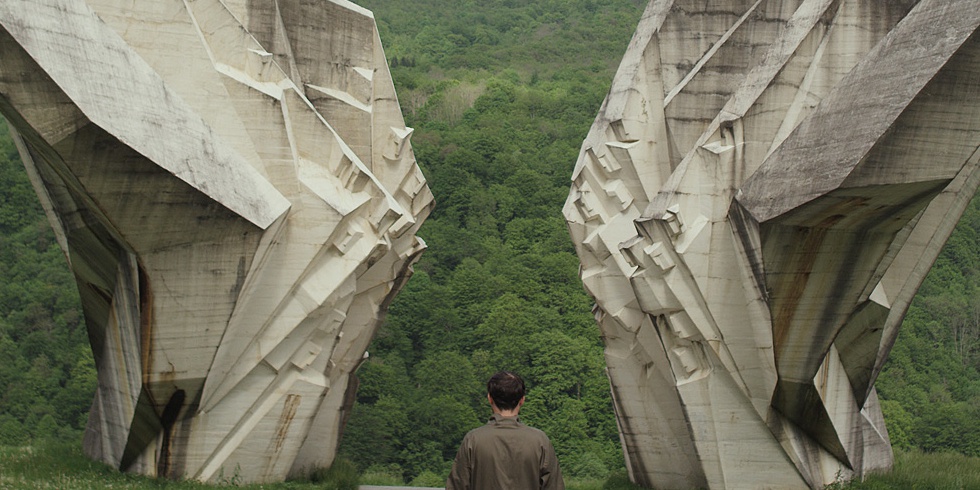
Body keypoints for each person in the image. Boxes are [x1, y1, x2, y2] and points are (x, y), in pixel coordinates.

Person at [446, 371, 564, 490]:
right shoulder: (539, 441)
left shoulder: (473, 440)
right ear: (522, 400)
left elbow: (456, 486)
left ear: (490, 398)